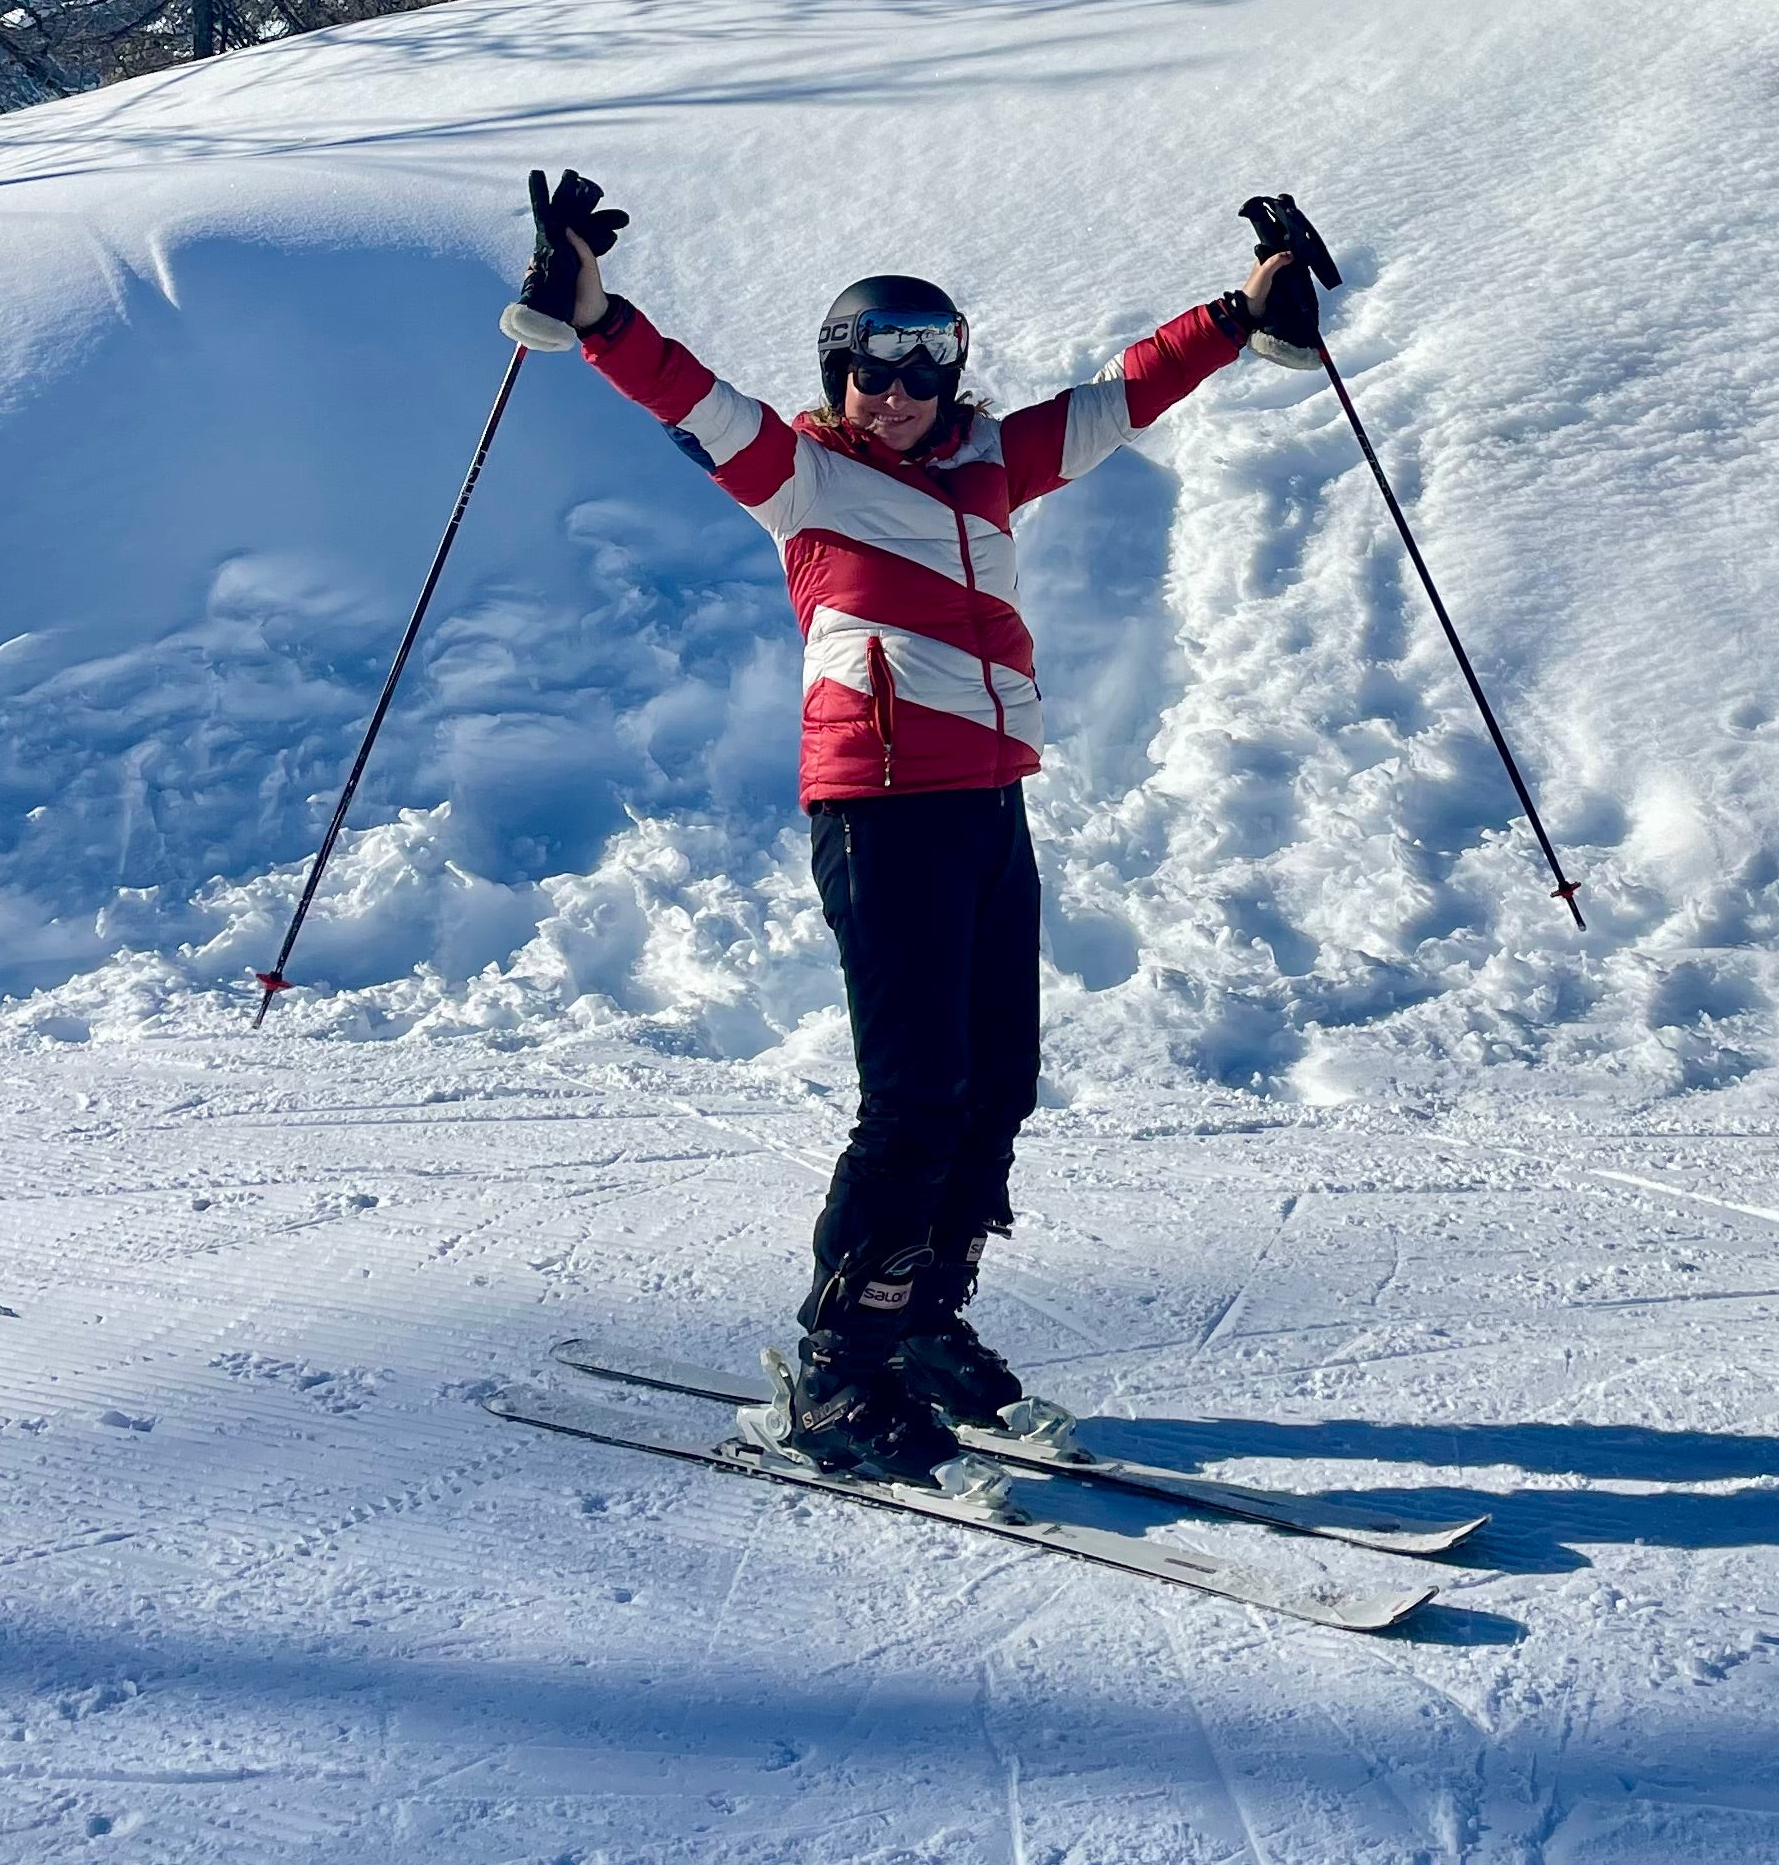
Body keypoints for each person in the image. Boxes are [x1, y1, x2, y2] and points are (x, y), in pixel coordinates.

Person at [506, 173, 1312, 1483]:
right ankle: (841, 1369)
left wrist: (1239, 309)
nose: (895, 393)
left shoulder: (994, 464)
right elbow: (687, 396)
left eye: (921, 372)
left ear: (952, 379)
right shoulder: (803, 479)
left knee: (994, 1083)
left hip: (989, 798)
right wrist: (593, 310)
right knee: (915, 1097)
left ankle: (924, 1323)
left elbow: (1118, 402)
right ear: (837, 378)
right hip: (881, 809)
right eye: (869, 371)